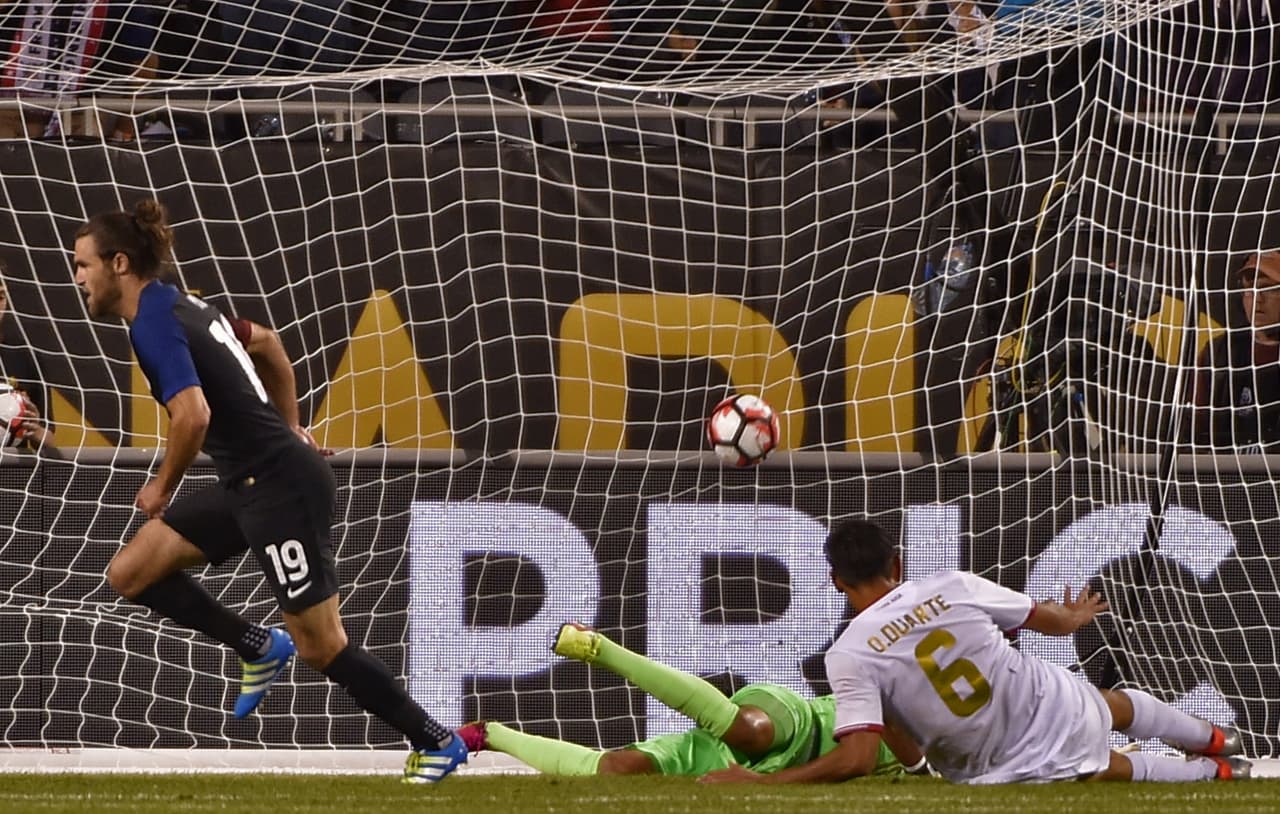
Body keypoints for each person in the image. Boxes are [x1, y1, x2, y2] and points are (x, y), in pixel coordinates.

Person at [70, 199, 465, 784]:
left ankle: (437, 742)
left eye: (82, 265)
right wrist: (293, 426)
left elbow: (192, 416)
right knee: (132, 572)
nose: (78, 278)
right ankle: (256, 645)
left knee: (321, 645)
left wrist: (161, 487)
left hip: (279, 487)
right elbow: (269, 343)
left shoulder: (152, 320)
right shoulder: (182, 304)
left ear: (119, 263)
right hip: (249, 482)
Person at [701, 518, 1251, 784]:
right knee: (1112, 704)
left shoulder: (847, 655)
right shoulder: (952, 584)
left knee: (1112, 769)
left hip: (1003, 766)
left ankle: (1225, 775)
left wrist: (763, 783)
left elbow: (861, 755)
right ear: (897, 564)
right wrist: (1074, 617)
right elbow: (1051, 625)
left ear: (836, 582)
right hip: (1053, 703)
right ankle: (1219, 739)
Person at [456, 621, 924, 779]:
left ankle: (488, 734)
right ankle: (599, 648)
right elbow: (865, 746)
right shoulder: (920, 722)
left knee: (617, 770)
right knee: (752, 731)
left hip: (756, 766)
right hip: (801, 724)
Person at [1188, 250, 1280, 453]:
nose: (1257, 299)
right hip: (1225, 474)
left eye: (1267, 289)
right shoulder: (1220, 353)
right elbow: (1195, 427)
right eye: (1249, 290)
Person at [0, 272, 55, 452]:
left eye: (0, 296)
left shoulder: (27, 357)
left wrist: (36, 431)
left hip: (13, 475)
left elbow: (49, 438)